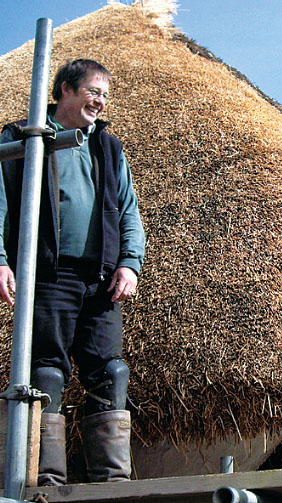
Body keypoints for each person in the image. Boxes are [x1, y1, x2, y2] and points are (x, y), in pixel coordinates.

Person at [0, 59, 145, 485]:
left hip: (100, 277)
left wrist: (129, 263)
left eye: (104, 95)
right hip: (48, 273)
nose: (100, 102)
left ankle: (111, 481)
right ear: (65, 89)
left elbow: (128, 212)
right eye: (92, 92)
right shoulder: (22, 138)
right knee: (47, 370)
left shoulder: (107, 146)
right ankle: (44, 479)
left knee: (111, 371)